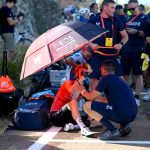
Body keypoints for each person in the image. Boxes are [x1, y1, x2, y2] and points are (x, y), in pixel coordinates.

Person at [77, 60, 138, 140]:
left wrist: (82, 90)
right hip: (132, 114)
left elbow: (90, 97)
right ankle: (125, 125)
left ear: (103, 70)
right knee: (100, 101)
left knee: (86, 106)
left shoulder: (105, 79)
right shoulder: (120, 80)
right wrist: (97, 100)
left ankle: (112, 130)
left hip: (122, 114)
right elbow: (113, 99)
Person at [89, 0, 128, 91]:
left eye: (114, 8)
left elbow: (125, 36)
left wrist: (120, 44)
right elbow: (85, 36)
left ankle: (118, 102)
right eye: (112, 7)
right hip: (98, 54)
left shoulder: (116, 19)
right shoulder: (94, 19)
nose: (114, 10)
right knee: (95, 79)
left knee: (120, 79)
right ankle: (91, 102)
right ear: (105, 7)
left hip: (112, 55)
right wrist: (91, 44)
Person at [48, 64, 94, 136]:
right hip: (56, 115)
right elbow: (71, 91)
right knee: (73, 101)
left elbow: (89, 99)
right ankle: (83, 128)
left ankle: (74, 127)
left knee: (93, 112)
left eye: (85, 73)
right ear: (77, 74)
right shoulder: (68, 82)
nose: (85, 75)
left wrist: (89, 119)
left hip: (69, 116)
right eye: (82, 72)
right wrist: (82, 77)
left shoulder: (82, 86)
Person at [121, 0, 148, 107]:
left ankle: (137, 97)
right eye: (129, 9)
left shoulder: (144, 18)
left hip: (138, 49)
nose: (131, 11)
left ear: (138, 7)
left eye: (133, 9)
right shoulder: (127, 18)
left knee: (138, 74)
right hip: (126, 49)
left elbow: (146, 34)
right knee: (125, 74)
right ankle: (126, 96)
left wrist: (135, 32)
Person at [143, 21, 150, 101]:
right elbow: (148, 40)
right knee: (147, 72)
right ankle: (149, 91)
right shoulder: (148, 24)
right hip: (148, 52)